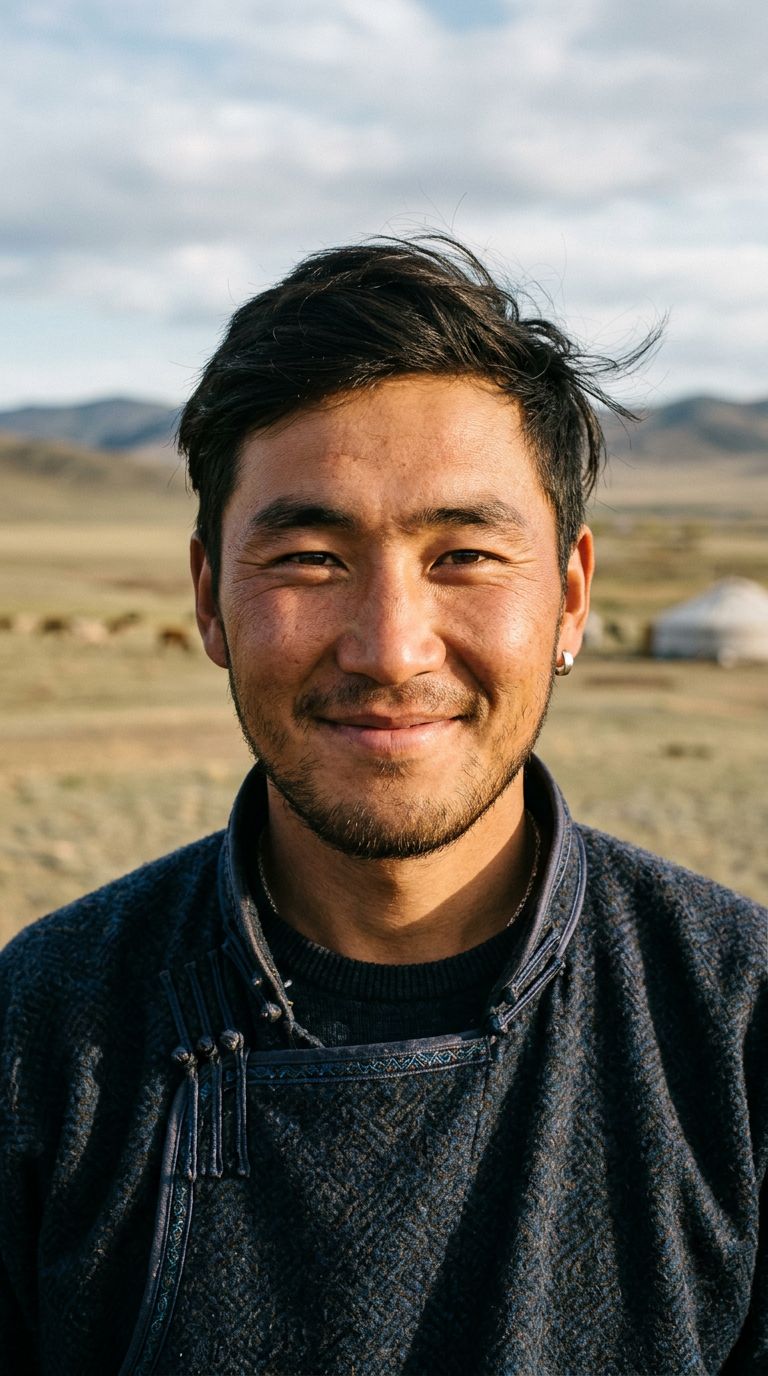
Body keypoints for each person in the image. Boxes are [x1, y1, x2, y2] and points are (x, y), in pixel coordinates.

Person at [0, 237, 765, 1376]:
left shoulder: (735, 1025)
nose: (390, 647)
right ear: (209, 598)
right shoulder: (48, 1032)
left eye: (462, 553)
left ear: (569, 597)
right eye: (310, 557)